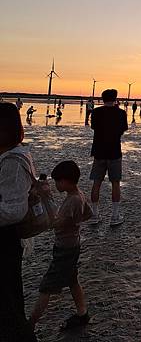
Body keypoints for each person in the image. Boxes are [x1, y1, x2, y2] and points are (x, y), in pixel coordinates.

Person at [29, 161, 92, 332]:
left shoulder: (72, 201)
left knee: (46, 286)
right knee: (72, 280)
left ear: (65, 181)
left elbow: (55, 224)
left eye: (57, 182)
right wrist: (74, 224)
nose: (56, 185)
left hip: (65, 249)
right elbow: (89, 213)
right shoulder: (80, 195)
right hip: (73, 245)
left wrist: (45, 197)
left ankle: (30, 324)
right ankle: (82, 313)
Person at [0, 103, 38, 342]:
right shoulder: (6, 156)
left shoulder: (13, 161)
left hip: (4, 241)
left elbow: (13, 210)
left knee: (8, 305)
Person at [90, 89, 128, 226]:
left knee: (96, 183)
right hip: (114, 152)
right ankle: (115, 216)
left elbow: (93, 127)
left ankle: (94, 214)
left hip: (98, 151)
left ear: (102, 99)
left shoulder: (96, 112)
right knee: (115, 183)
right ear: (115, 98)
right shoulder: (121, 113)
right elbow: (123, 129)